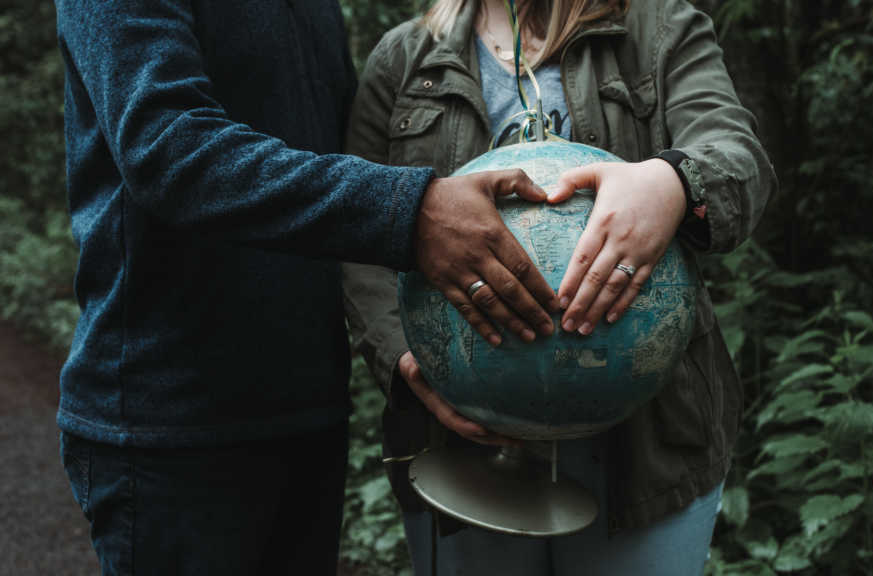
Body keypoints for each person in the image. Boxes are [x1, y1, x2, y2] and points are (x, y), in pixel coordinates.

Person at [52, 0, 563, 574]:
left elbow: (340, 165)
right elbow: (168, 150)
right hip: (170, 423)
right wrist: (414, 211)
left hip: (308, 412)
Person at [342, 0, 776, 573]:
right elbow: (358, 228)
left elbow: (739, 160)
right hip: (461, 441)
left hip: (647, 443)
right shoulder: (404, 57)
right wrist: (403, 357)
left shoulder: (660, 27)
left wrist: (672, 181)